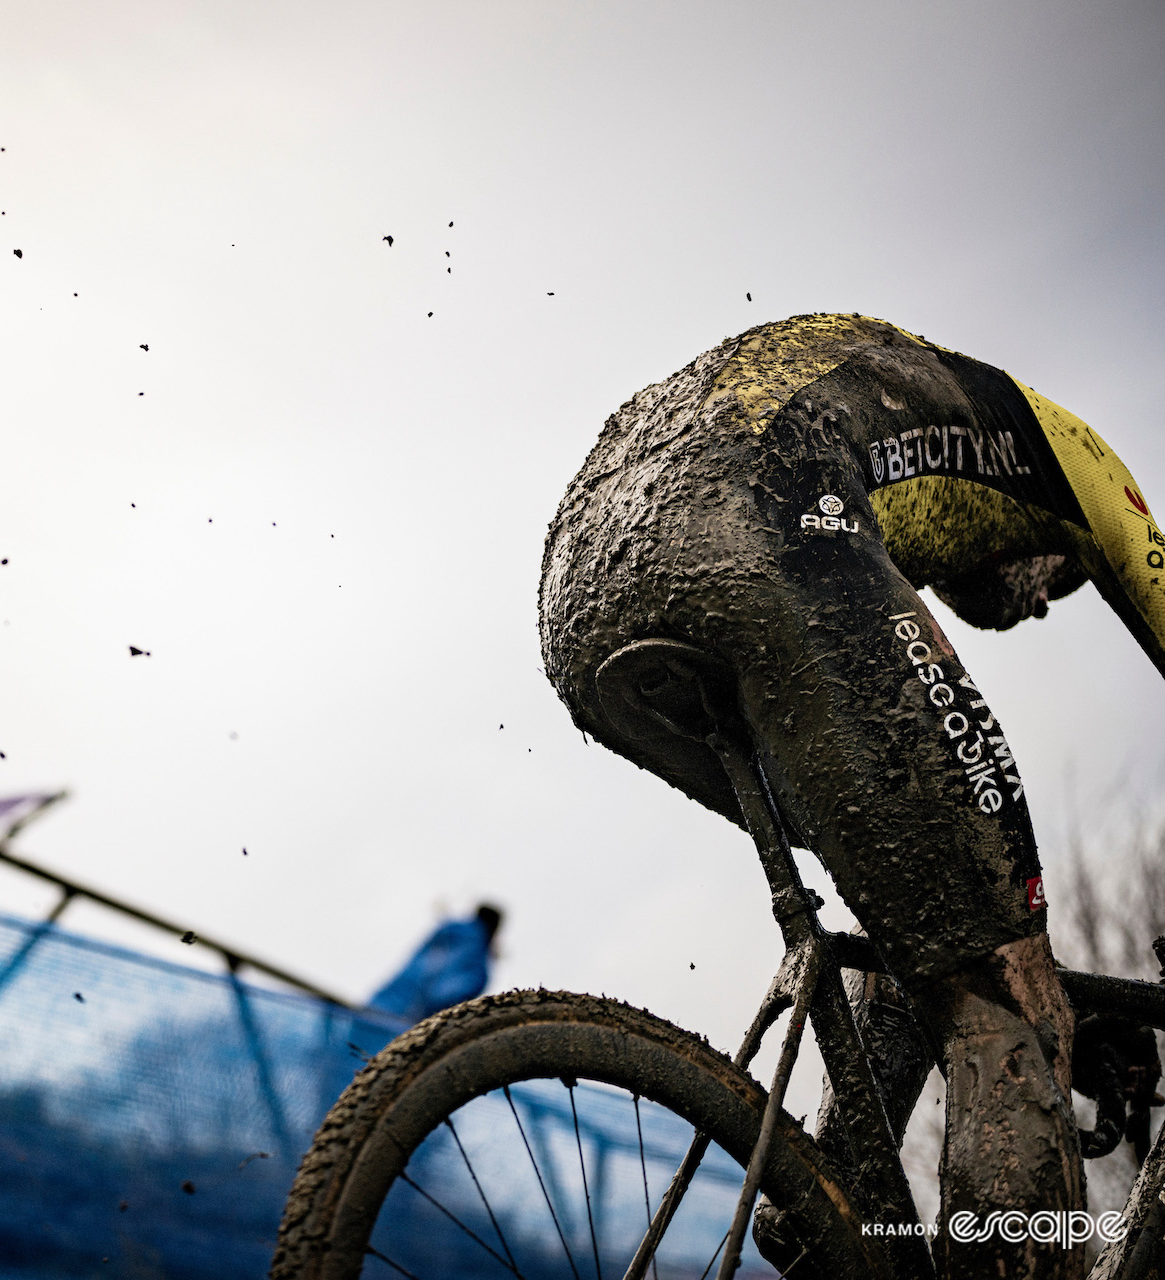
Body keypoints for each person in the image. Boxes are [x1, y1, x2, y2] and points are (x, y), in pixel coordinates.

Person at [538, 313, 1165, 1280]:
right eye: (1059, 586)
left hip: (589, 582)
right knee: (1007, 1011)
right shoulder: (1089, 469)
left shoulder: (914, 446)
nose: (1042, 602)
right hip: (756, 504)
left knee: (913, 887)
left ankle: (834, 1194)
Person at [366, 903, 504, 1024]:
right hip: (403, 1024)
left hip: (377, 1006)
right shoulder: (476, 959)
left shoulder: (447, 931)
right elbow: (444, 997)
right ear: (494, 929)